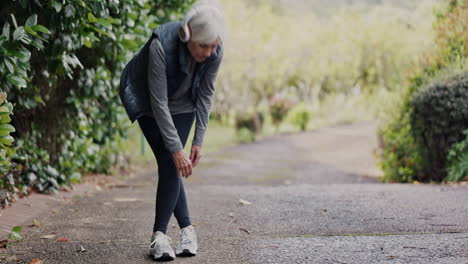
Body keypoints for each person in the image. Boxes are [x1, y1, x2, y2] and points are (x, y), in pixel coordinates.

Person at [119, 1, 225, 261]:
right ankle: (161, 236)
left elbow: (206, 94)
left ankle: (182, 232)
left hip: (184, 103)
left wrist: (198, 140)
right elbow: (159, 102)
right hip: (146, 101)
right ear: (188, 35)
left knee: (171, 163)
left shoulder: (214, 49)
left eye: (213, 45)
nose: (209, 52)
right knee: (170, 159)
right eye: (203, 46)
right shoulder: (161, 45)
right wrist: (177, 148)